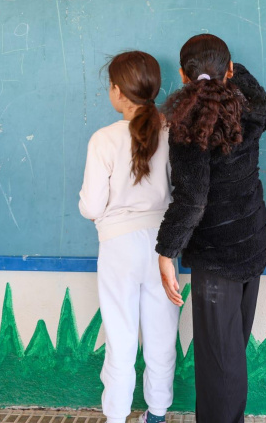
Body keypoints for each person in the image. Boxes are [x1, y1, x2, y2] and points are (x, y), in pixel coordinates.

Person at [156, 34, 266, 423]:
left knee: (220, 364)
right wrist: (227, 72)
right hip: (251, 243)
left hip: (217, 258)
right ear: (230, 70)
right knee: (230, 354)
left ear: (182, 75)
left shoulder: (188, 125)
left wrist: (166, 252)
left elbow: (192, 199)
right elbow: (259, 97)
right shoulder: (250, 109)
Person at [79, 51, 179, 423]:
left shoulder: (103, 139)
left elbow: (91, 206)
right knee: (162, 336)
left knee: (120, 339)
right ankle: (157, 414)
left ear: (118, 91)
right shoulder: (171, 132)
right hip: (164, 245)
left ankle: (117, 417)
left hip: (118, 246)